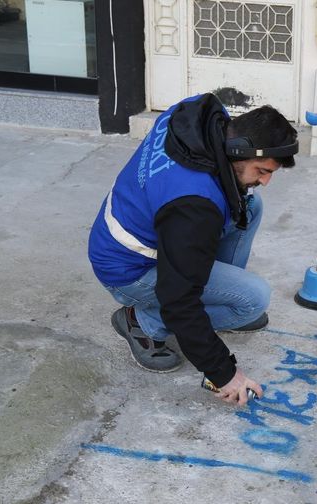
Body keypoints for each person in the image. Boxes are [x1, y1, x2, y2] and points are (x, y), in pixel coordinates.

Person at [87, 93, 298, 406]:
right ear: (238, 151)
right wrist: (224, 373)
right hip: (128, 271)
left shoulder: (197, 117)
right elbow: (179, 300)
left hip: (132, 227)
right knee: (253, 300)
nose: (266, 180)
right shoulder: (193, 206)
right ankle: (140, 322)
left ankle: (219, 291)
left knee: (250, 205)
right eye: (261, 170)